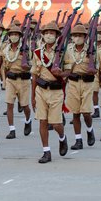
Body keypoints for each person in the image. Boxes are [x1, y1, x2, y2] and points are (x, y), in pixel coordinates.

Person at [31, 22, 68, 163]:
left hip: (56, 91)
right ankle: (46, 152)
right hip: (41, 90)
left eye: (52, 33)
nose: (49, 35)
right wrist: (33, 96)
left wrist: (62, 73)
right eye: (46, 33)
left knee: (56, 123)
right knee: (43, 121)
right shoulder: (37, 53)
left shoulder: (63, 52)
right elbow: (34, 75)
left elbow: (70, 71)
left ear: (57, 36)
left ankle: (62, 137)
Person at [58, 24, 96, 150]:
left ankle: (90, 130)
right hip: (73, 83)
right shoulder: (68, 50)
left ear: (85, 37)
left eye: (80, 35)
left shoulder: (92, 50)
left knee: (86, 112)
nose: (77, 37)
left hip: (87, 83)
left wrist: (93, 70)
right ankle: (78, 139)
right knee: (75, 113)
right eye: (75, 35)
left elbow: (98, 68)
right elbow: (63, 66)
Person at [0, 24, 33, 139]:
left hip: (23, 80)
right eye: (12, 34)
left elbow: (32, 65)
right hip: (11, 80)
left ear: (20, 36)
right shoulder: (5, 50)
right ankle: (12, 129)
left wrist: (26, 66)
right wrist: (4, 80)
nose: (14, 36)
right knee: (9, 104)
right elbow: (4, 67)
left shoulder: (26, 49)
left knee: (25, 106)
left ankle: (28, 120)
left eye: (16, 34)